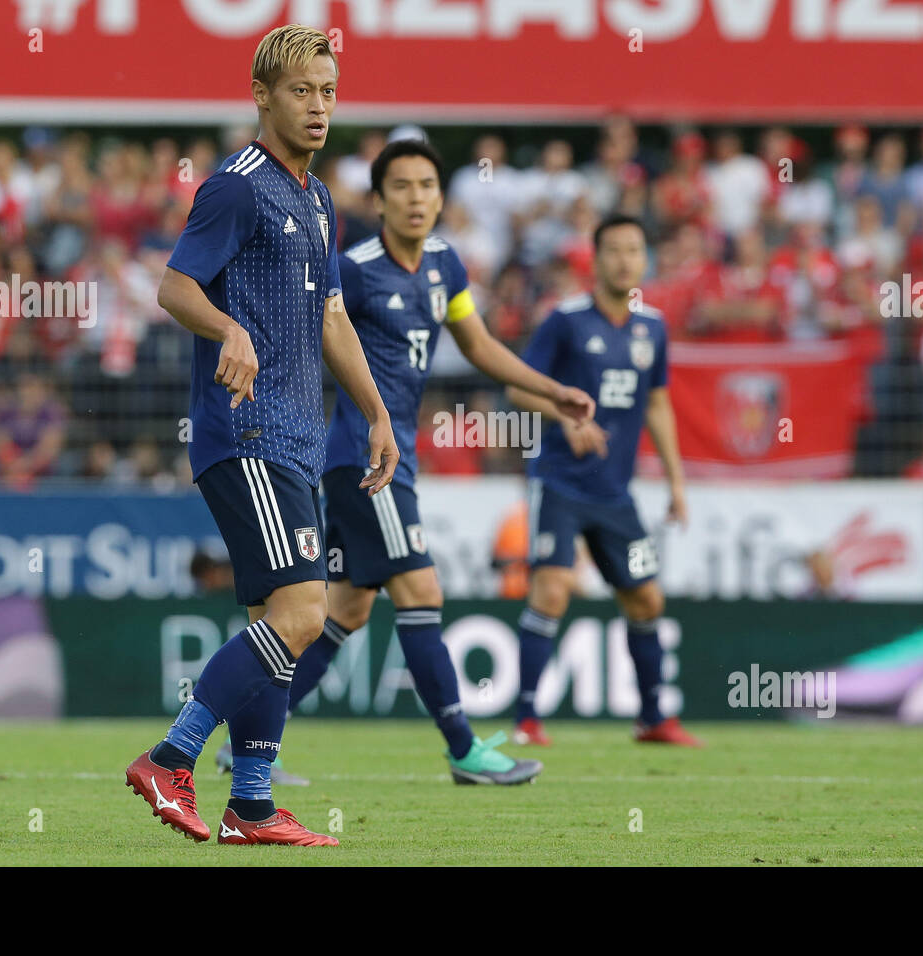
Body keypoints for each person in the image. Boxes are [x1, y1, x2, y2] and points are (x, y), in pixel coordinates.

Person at [218, 138, 594, 784]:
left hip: (396, 458)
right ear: (379, 199)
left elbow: (476, 345)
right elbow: (307, 335)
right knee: (421, 589)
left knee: (344, 612)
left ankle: (247, 743)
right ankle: (462, 749)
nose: (416, 198)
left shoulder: (448, 266)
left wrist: (551, 390)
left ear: (442, 196)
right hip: (363, 462)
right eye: (401, 187)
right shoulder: (356, 270)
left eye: (426, 186)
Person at [124, 24, 399, 848]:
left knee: (271, 618)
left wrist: (378, 411)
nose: (318, 107)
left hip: (296, 440)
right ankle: (171, 758)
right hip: (243, 434)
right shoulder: (238, 186)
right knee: (305, 613)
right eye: (302, 91)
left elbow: (332, 317)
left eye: (328, 91)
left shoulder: (317, 201)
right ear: (262, 97)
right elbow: (175, 289)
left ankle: (249, 804)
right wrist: (227, 329)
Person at [504, 215, 700, 748]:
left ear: (644, 260)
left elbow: (657, 403)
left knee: (646, 600)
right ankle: (525, 719)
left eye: (633, 250)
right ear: (595, 259)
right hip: (561, 484)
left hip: (616, 494)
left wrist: (677, 484)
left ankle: (654, 718)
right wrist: (566, 416)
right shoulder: (564, 321)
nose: (623, 260)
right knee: (550, 590)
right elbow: (518, 389)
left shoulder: (652, 327)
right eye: (613, 250)